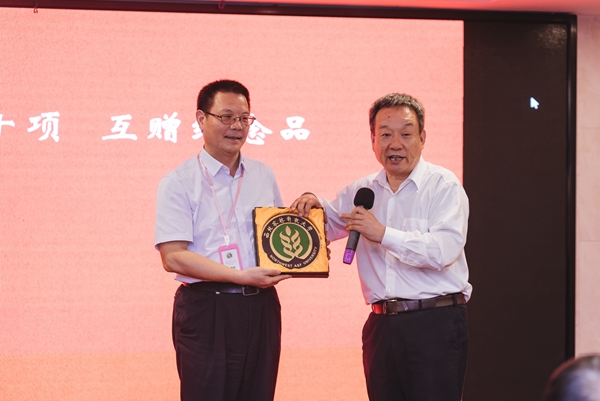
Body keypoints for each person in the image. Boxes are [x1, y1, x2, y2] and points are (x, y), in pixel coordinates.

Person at [291, 93, 472, 401]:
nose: (394, 144)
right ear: (373, 140)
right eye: (385, 135)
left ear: (422, 138)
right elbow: (329, 222)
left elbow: (444, 251)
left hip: (434, 324)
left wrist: (383, 234)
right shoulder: (362, 190)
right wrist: (311, 204)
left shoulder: (444, 185)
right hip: (381, 327)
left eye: (405, 134)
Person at [154, 79, 290, 401]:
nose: (237, 126)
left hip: (261, 307)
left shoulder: (263, 175)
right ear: (201, 119)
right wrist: (239, 276)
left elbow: (276, 238)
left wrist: (304, 255)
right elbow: (173, 256)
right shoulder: (178, 182)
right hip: (207, 308)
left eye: (244, 118)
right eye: (227, 117)